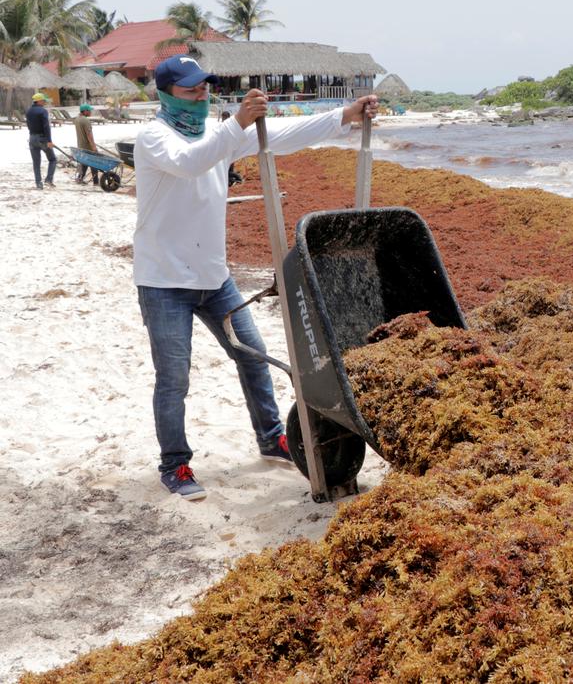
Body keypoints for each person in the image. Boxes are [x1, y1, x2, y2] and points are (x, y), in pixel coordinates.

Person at [134, 54, 378, 500]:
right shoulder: (154, 137)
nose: (201, 95)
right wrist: (236, 124)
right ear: (165, 93)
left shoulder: (216, 134)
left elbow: (279, 136)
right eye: (191, 90)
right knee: (174, 377)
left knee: (253, 355)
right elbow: (189, 162)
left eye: (205, 88)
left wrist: (343, 116)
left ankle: (271, 438)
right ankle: (175, 464)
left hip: (214, 277)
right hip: (164, 281)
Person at [25, 92, 56, 189]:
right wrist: (49, 141)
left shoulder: (28, 111)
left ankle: (38, 183)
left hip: (32, 138)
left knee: (36, 162)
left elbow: (29, 125)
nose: (44, 102)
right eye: (43, 100)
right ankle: (48, 179)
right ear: (38, 101)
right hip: (42, 138)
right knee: (52, 159)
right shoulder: (43, 111)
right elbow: (46, 127)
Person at [73, 104, 100, 185]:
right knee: (94, 163)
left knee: (85, 163)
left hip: (81, 145)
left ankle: (80, 178)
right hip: (87, 146)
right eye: (89, 110)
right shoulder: (85, 121)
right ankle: (95, 181)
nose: (90, 112)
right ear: (85, 111)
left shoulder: (77, 119)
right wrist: (93, 146)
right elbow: (89, 134)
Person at [218, 111, 244, 186]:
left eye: (224, 117)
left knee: (228, 168)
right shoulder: (222, 125)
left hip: (229, 149)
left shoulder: (229, 126)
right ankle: (232, 179)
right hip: (224, 150)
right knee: (225, 168)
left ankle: (234, 179)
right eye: (223, 117)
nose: (223, 119)